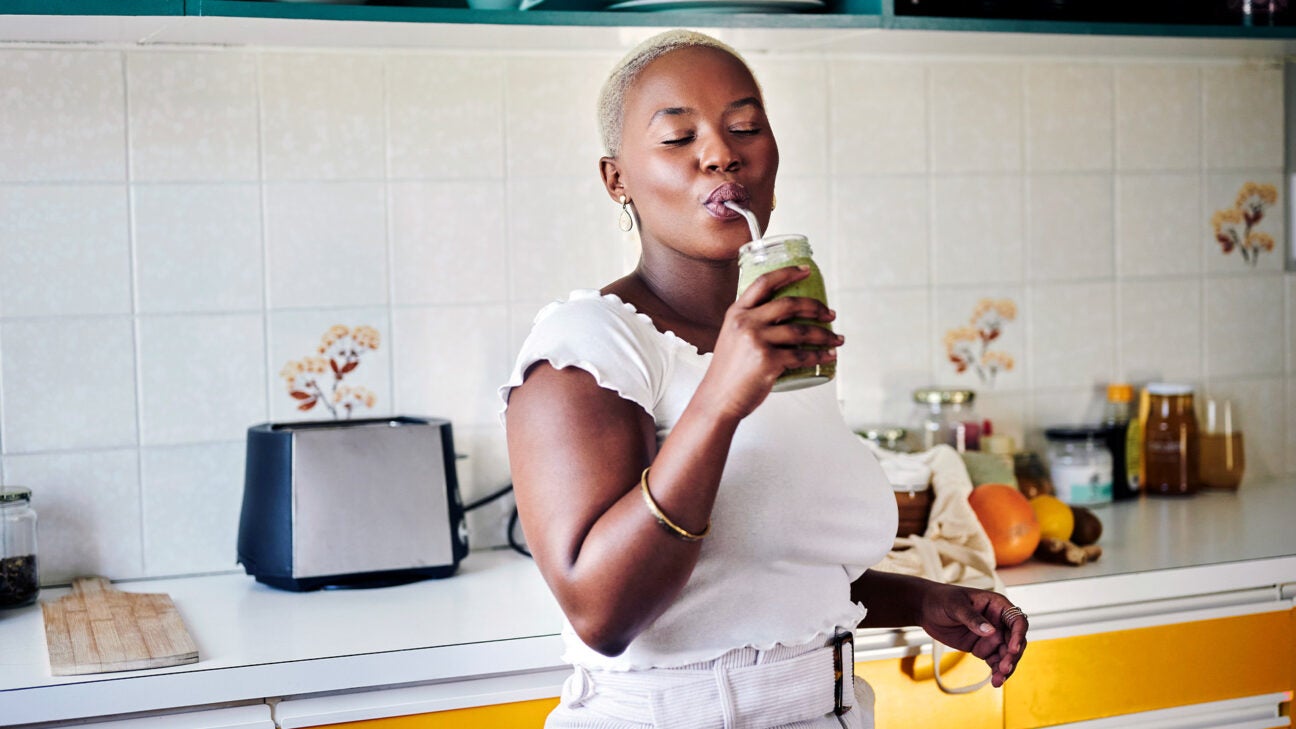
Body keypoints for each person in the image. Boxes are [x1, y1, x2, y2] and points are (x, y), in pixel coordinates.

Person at [499, 29, 1028, 728]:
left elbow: (763, 573)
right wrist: (721, 397)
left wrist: (925, 600)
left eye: (744, 126)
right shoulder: (590, 344)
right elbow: (604, 611)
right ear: (616, 178)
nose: (721, 153)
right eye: (677, 137)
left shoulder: (774, 340)